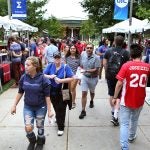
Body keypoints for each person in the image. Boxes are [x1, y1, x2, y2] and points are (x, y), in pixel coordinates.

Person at [112, 43, 150, 150]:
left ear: (131, 55)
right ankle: (132, 136)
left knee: (124, 124)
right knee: (134, 120)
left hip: (126, 100)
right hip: (140, 99)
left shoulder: (126, 65)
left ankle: (124, 147)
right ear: (141, 54)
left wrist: (115, 97)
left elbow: (119, 83)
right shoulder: (147, 67)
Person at [11, 56, 52, 150]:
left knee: (39, 125)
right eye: (25, 64)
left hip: (40, 107)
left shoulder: (43, 79)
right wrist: (14, 105)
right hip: (28, 107)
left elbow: (47, 97)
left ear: (35, 66)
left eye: (28, 65)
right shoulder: (24, 77)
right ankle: (32, 141)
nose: (25, 66)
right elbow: (20, 92)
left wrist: (50, 111)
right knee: (28, 128)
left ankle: (40, 141)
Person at [43, 52, 74, 136]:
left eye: (58, 58)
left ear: (61, 58)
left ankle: (61, 127)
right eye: (55, 57)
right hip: (52, 90)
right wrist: (50, 76)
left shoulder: (65, 67)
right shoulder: (50, 66)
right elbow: (43, 74)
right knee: (56, 107)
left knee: (62, 109)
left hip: (64, 90)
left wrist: (61, 80)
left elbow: (72, 78)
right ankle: (58, 117)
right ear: (53, 58)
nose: (57, 59)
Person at [103, 35, 130, 125]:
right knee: (118, 94)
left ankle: (113, 110)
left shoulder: (108, 50)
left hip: (110, 75)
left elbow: (104, 63)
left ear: (114, 41)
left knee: (111, 94)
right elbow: (127, 65)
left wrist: (107, 72)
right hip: (121, 76)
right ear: (123, 43)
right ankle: (116, 113)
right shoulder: (126, 53)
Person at [79, 43, 100, 119]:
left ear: (93, 49)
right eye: (87, 48)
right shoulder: (83, 55)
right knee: (84, 93)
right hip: (84, 77)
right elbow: (81, 66)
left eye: (91, 48)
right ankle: (83, 110)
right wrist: (80, 77)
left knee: (92, 92)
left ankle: (91, 100)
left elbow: (96, 69)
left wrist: (86, 70)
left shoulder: (97, 57)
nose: (89, 49)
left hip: (93, 78)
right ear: (85, 48)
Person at [65, 44, 80, 108]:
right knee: (65, 88)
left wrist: (80, 78)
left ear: (76, 49)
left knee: (72, 89)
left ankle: (73, 102)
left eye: (74, 48)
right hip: (67, 75)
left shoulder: (79, 57)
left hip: (75, 75)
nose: (72, 50)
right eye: (71, 48)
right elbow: (64, 66)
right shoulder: (67, 57)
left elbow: (81, 67)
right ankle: (65, 101)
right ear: (69, 49)